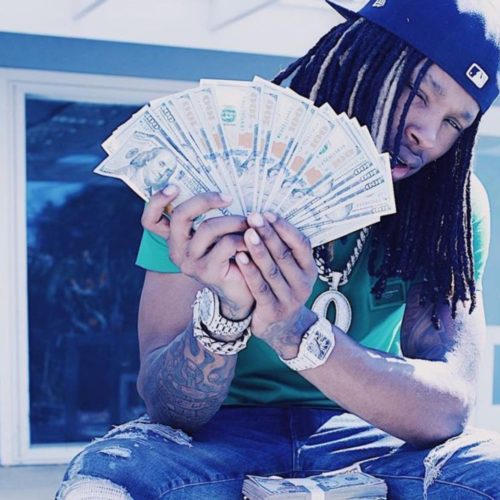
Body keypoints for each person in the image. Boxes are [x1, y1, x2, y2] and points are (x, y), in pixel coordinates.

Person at [58, 0, 500, 498]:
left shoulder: (448, 212)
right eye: (418, 93)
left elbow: (448, 408)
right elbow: (166, 406)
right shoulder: (211, 172)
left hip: (365, 431)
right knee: (106, 479)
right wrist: (226, 314)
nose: (428, 135)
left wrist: (296, 331)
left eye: (455, 123)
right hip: (216, 439)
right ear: (359, 59)